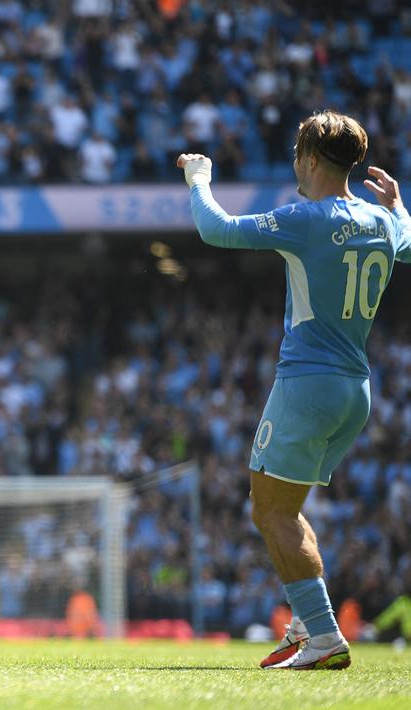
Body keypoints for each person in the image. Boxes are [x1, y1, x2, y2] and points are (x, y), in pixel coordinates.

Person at [177, 110, 411, 670]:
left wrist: (198, 178)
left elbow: (217, 229)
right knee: (285, 507)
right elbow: (409, 244)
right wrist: (399, 205)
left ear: (307, 159)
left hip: (308, 384)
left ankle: (325, 637)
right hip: (356, 390)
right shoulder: (380, 220)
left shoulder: (306, 217)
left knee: (270, 512)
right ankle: (307, 625)